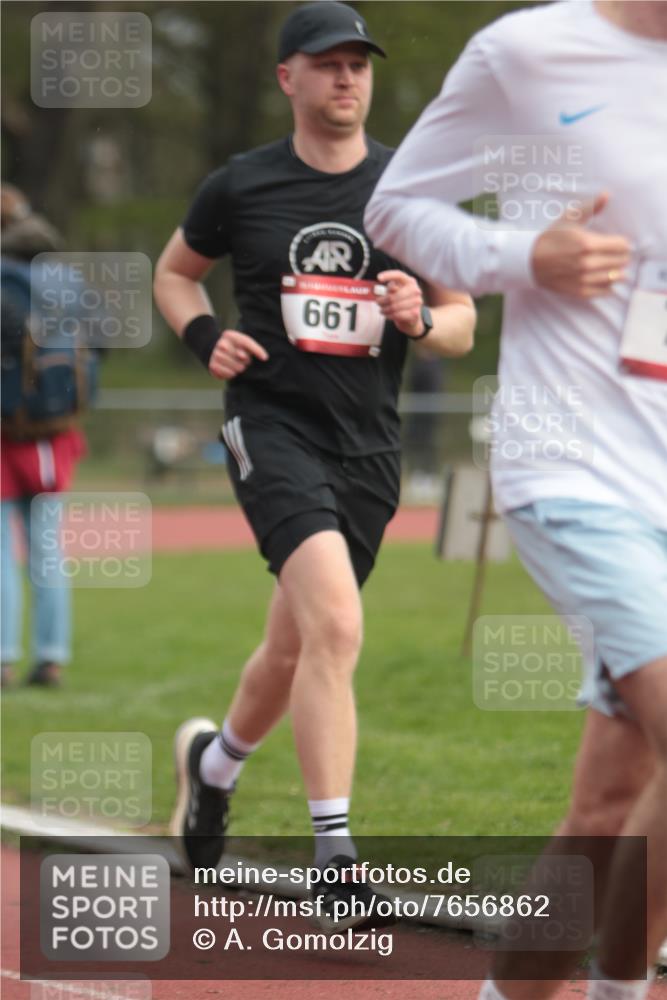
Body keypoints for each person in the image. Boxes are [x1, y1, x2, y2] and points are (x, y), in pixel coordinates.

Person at [365, 0, 666, 995]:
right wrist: (521, 256)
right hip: (575, 466)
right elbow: (395, 209)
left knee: (607, 803)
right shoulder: (530, 52)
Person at [153, 1, 475, 927]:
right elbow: (174, 273)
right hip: (272, 427)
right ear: (287, 78)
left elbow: (460, 324)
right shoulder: (239, 186)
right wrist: (205, 332)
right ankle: (336, 858)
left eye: (358, 65)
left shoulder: (407, 194)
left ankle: (212, 769)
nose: (347, 79)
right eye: (326, 65)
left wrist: (420, 315)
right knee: (335, 626)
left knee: (293, 645)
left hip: (370, 447)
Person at [1, 185, 88, 688]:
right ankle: (51, 656)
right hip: (53, 431)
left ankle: (4, 657)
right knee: (47, 548)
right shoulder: (64, 278)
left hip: (4, 429)